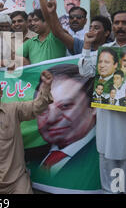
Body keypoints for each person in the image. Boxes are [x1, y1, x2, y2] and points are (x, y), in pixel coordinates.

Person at [78, 10, 126, 193]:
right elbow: (85, 72)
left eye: (124, 23)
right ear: (113, 27)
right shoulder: (104, 51)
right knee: (108, 160)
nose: (120, 26)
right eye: (117, 23)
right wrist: (87, 46)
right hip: (107, 117)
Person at [26, 64, 100, 192]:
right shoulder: (32, 156)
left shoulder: (102, 155)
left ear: (93, 107)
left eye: (65, 106)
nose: (51, 119)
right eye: (43, 109)